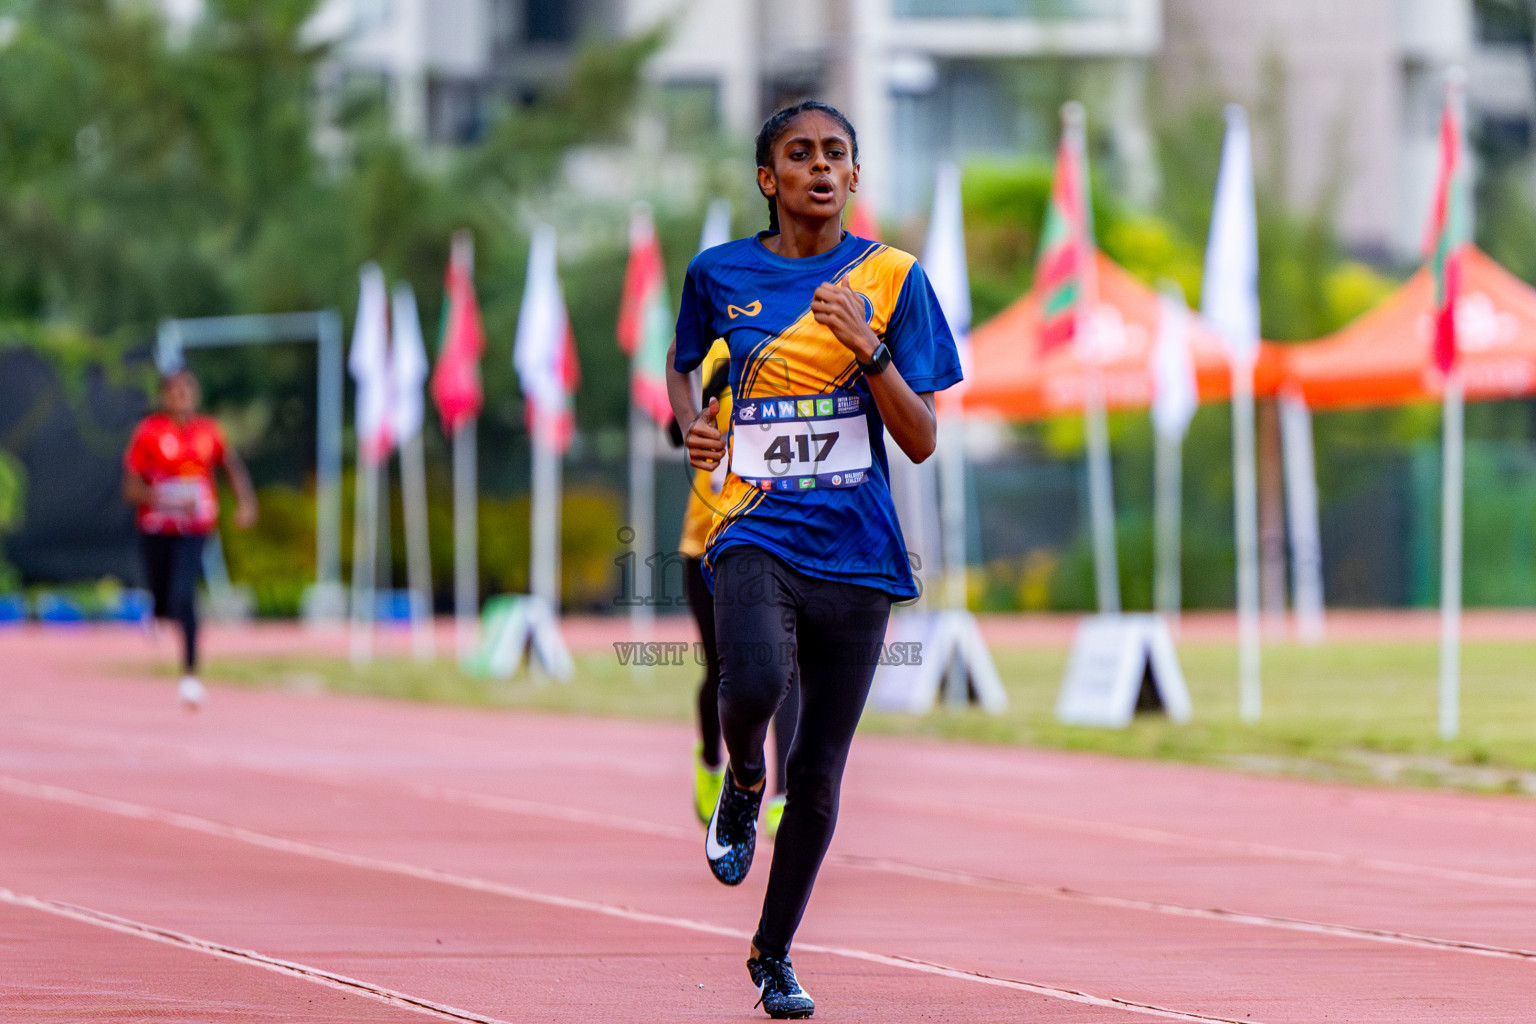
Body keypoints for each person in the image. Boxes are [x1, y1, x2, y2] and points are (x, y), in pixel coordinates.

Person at [666, 101, 961, 1019]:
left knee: (824, 770)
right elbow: (681, 365)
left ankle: (773, 953)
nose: (821, 168)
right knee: (750, 685)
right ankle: (743, 778)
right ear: (770, 179)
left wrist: (866, 347)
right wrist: (693, 425)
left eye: (838, 154)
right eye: (801, 155)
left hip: (861, 555)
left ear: (855, 177)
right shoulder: (719, 274)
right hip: (754, 529)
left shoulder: (892, 278)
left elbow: (921, 439)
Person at [676, 339, 799, 837]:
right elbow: (675, 427)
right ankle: (710, 762)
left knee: (787, 668)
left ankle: (783, 794)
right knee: (723, 670)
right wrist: (711, 394)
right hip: (705, 542)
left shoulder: (796, 349)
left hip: (775, 538)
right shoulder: (712, 350)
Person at [123, 368, 256, 710]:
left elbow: (231, 466)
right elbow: (131, 487)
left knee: (185, 595)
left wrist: (245, 502)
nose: (181, 396)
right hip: (156, 527)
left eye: (187, 390)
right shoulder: (150, 432)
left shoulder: (208, 432)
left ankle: (191, 675)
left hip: (194, 528)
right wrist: (164, 499)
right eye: (174, 390)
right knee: (164, 599)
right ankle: (157, 611)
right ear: (163, 395)